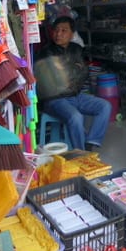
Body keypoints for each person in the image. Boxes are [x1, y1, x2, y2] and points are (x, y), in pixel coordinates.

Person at [34, 16, 110, 151]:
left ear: (72, 34)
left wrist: (70, 74)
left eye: (64, 31)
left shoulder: (76, 49)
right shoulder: (46, 52)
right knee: (76, 117)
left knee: (104, 106)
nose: (58, 34)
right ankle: (80, 152)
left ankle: (91, 141)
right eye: (56, 30)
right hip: (55, 99)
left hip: (75, 95)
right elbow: (57, 79)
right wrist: (73, 72)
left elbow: (84, 73)